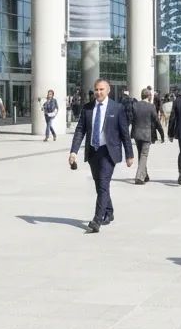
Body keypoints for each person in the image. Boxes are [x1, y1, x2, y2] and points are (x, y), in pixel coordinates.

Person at [69, 78, 134, 232]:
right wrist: (73, 151)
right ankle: (109, 212)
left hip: (108, 152)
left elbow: (125, 133)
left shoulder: (117, 108)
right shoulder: (87, 108)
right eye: (96, 90)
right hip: (93, 152)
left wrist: (129, 155)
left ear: (108, 90)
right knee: (100, 185)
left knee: (103, 184)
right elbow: (80, 130)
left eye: (101, 89)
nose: (98, 92)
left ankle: (97, 220)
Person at [131, 87, 166, 184]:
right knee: (144, 155)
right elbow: (156, 121)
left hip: (137, 134)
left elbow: (132, 120)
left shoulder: (135, 105)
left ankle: (145, 175)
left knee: (140, 154)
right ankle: (139, 177)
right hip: (146, 134)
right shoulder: (151, 107)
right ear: (149, 96)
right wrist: (162, 134)